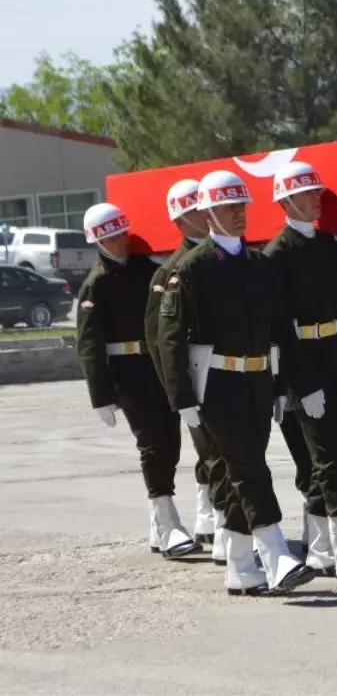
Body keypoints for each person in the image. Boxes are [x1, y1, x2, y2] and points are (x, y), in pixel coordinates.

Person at [158, 170, 314, 596]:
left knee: (240, 473)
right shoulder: (191, 269)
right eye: (228, 207)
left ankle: (242, 568)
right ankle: (276, 553)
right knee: (249, 467)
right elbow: (169, 336)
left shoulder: (260, 264)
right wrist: (182, 397)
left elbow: (279, 329)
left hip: (258, 381)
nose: (238, 214)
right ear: (208, 213)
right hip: (216, 385)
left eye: (241, 206)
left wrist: (282, 387)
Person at [263, 162, 337, 582]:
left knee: (329, 459)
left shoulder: (330, 245)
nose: (317, 198)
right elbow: (278, 326)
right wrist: (302, 383)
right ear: (285, 200)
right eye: (307, 193)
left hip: (335, 359)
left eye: (317, 191)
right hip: (304, 366)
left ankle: (318, 551)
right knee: (329, 459)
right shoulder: (276, 254)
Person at [77, 202, 201, 560]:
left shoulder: (147, 269)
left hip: (156, 365)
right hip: (126, 372)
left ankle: (159, 524)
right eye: (111, 236)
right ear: (97, 241)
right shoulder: (96, 284)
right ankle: (167, 520)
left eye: (121, 232)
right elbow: (89, 344)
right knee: (152, 444)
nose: (119, 240)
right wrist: (100, 396)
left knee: (171, 443)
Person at [144, 179, 223, 557]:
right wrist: (177, 394)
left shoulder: (220, 258)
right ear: (179, 221)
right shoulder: (172, 271)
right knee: (214, 451)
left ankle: (209, 520)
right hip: (196, 375)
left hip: (226, 371)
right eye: (195, 211)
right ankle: (226, 531)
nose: (204, 216)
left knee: (221, 451)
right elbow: (160, 338)